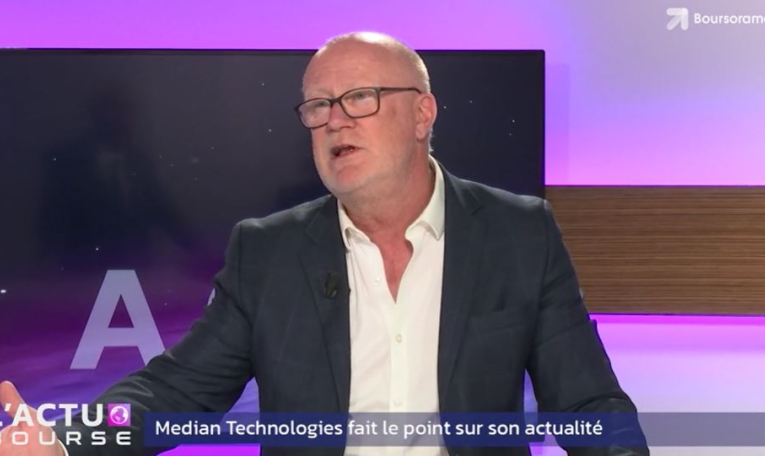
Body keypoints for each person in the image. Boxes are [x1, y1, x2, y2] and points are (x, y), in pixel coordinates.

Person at [0, 32, 648, 456]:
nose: (334, 120)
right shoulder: (268, 251)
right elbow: (175, 389)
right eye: (317, 106)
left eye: (359, 98)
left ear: (422, 113)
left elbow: (587, 403)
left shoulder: (518, 231)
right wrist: (66, 440)